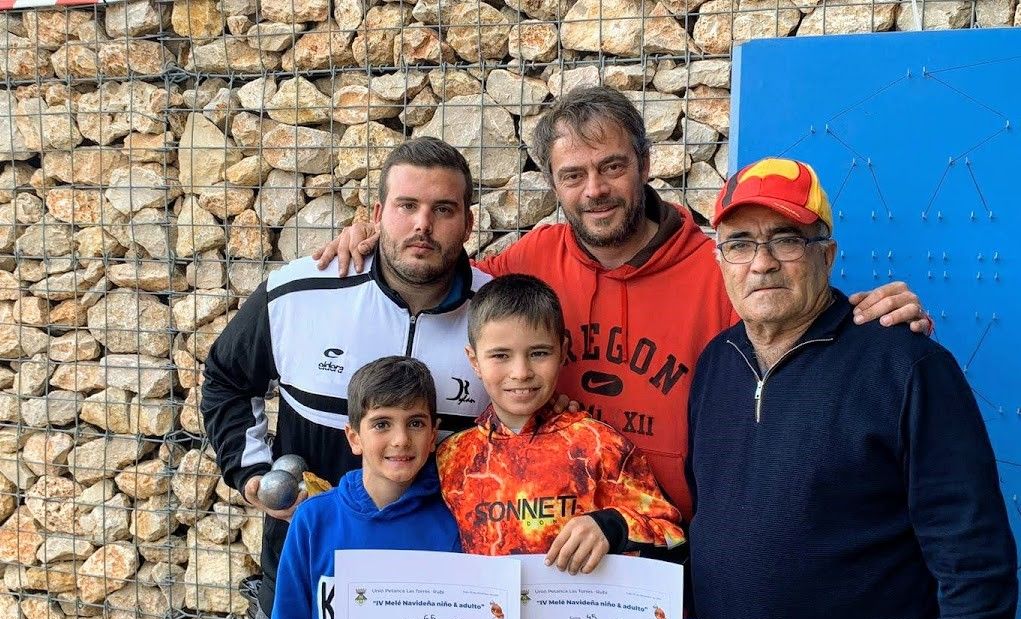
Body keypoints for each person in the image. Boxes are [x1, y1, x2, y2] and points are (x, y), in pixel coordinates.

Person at [314, 86, 930, 524]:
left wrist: (874, 319)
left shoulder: (718, 265)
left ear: (646, 164)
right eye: (572, 175)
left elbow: (801, 314)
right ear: (552, 183)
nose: (595, 191)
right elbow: (437, 269)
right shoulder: (528, 262)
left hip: (689, 546)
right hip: (549, 543)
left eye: (612, 167)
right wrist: (373, 243)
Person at [685, 157, 1017, 619]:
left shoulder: (908, 366)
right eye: (740, 244)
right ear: (720, 261)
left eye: (786, 239)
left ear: (828, 255)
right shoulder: (715, 365)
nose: (762, 262)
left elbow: (975, 563)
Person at [201, 137, 491, 619]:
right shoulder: (299, 293)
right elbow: (226, 378)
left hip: (440, 596)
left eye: (443, 209)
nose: (422, 224)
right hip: (307, 583)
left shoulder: (496, 319)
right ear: (378, 215)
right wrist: (250, 475)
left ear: (468, 223)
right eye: (407, 206)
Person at [438, 274, 684, 575]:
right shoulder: (451, 458)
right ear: (474, 361)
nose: (521, 372)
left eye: (539, 353)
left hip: (579, 618)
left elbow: (673, 536)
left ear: (563, 350)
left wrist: (612, 527)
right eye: (500, 355)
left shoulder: (600, 446)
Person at [267, 356, 461, 619]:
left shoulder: (452, 523)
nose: (401, 439)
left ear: (433, 437)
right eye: (382, 424)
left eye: (415, 423)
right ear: (354, 437)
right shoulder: (314, 521)